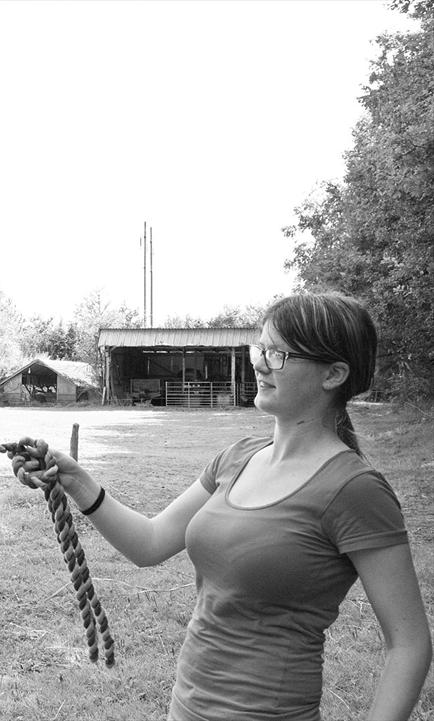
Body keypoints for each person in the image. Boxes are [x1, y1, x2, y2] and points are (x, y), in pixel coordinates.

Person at [41, 292, 431, 720]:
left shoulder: (354, 489)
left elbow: (409, 643)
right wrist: (79, 483)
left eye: (279, 354)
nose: (260, 362)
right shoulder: (238, 457)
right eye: (260, 348)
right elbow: (149, 544)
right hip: (185, 709)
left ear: (334, 374)